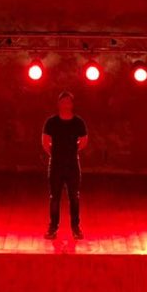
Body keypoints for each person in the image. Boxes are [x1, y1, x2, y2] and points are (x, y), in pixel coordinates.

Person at [42, 90, 88, 239]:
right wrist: (55, 153)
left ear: (72, 104)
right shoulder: (51, 122)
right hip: (56, 165)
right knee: (54, 197)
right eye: (63, 101)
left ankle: (76, 227)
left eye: (68, 101)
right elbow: (44, 140)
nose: (65, 104)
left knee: (74, 197)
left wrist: (72, 151)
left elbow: (84, 140)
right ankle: (52, 227)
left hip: (72, 165)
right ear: (59, 104)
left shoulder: (78, 122)